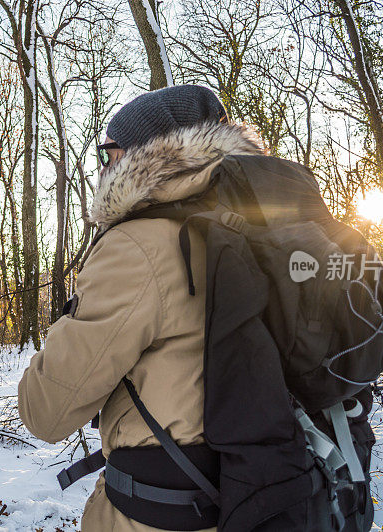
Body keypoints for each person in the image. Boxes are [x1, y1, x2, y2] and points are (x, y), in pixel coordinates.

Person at [17, 85, 264, 531]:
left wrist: (65, 328)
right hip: (258, 497)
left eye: (109, 150)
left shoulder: (136, 248)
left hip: (161, 514)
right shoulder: (257, 224)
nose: (104, 164)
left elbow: (46, 412)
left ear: (144, 155)